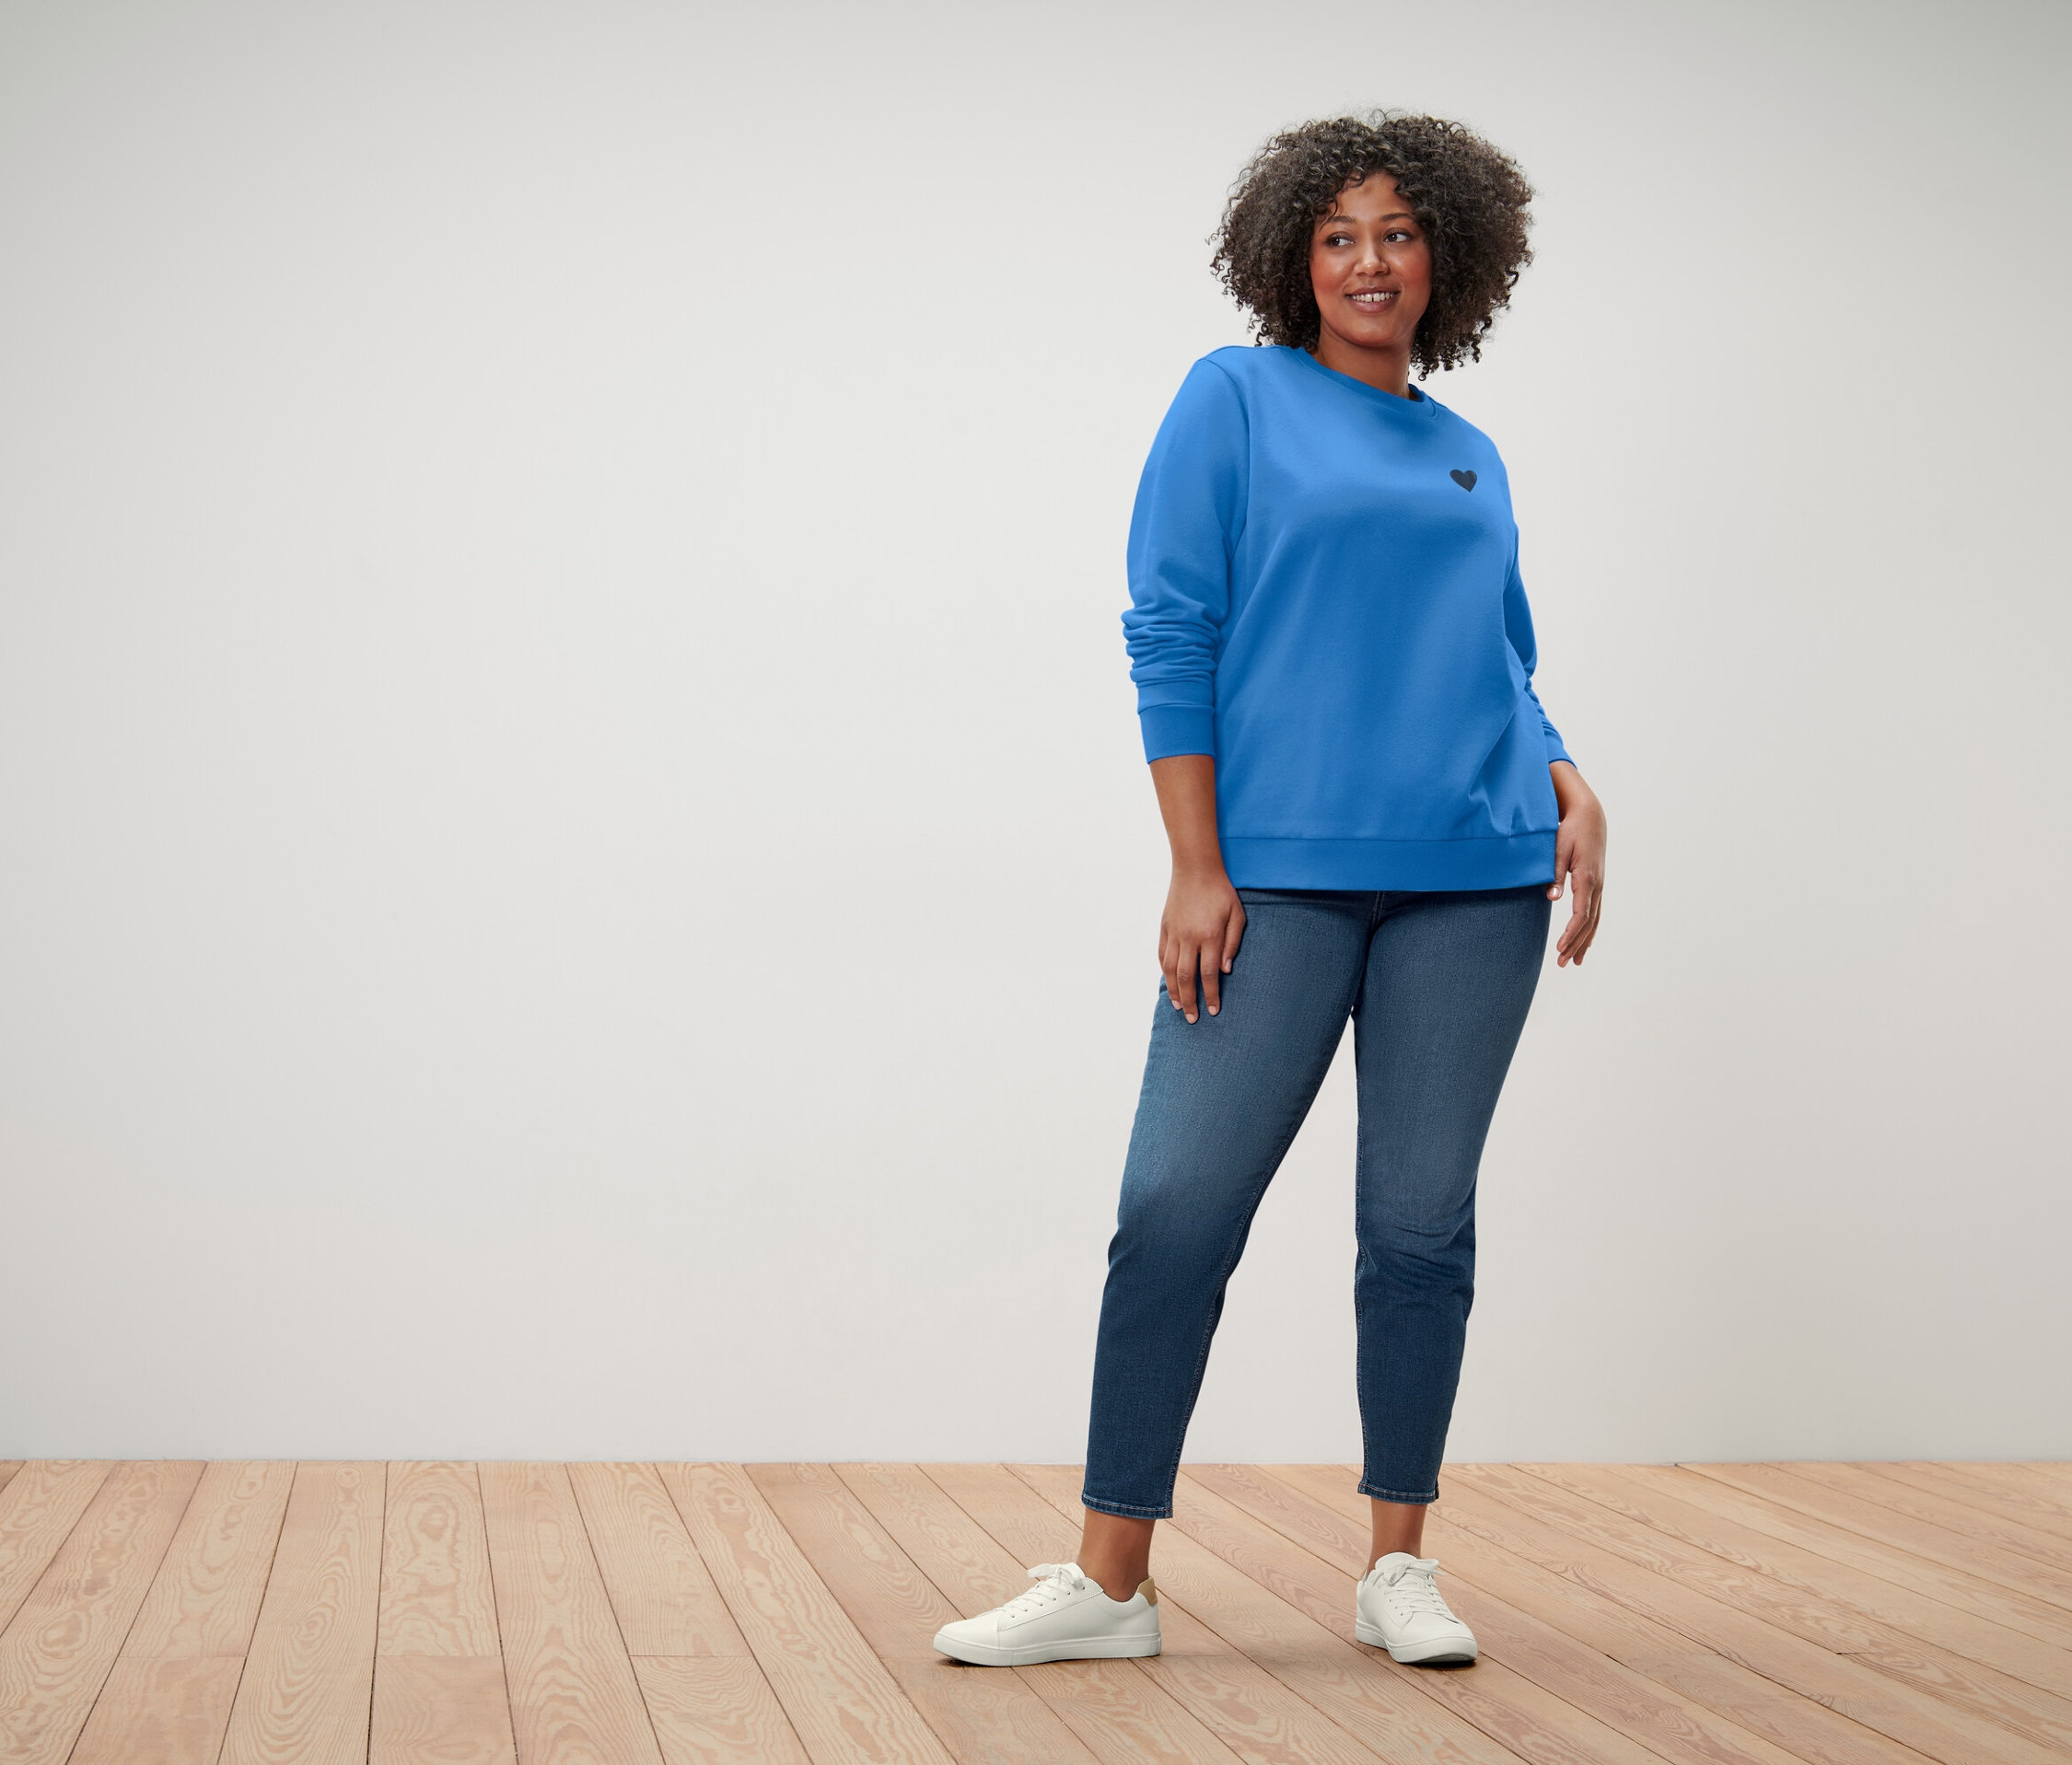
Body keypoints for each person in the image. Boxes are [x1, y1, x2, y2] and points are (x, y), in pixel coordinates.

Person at [934, 111, 1607, 1670]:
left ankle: (1397, 1565)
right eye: (1338, 237)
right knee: (1174, 1208)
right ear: (1293, 260)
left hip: (1475, 876)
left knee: (1418, 1229)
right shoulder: (1231, 397)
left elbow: (1501, 661)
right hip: (1277, 879)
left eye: (1397, 234)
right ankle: (1110, 1580)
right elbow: (1169, 625)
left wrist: (1568, 774)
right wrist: (1195, 863)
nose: (1370, 262)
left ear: (1445, 257)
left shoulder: (1469, 449)